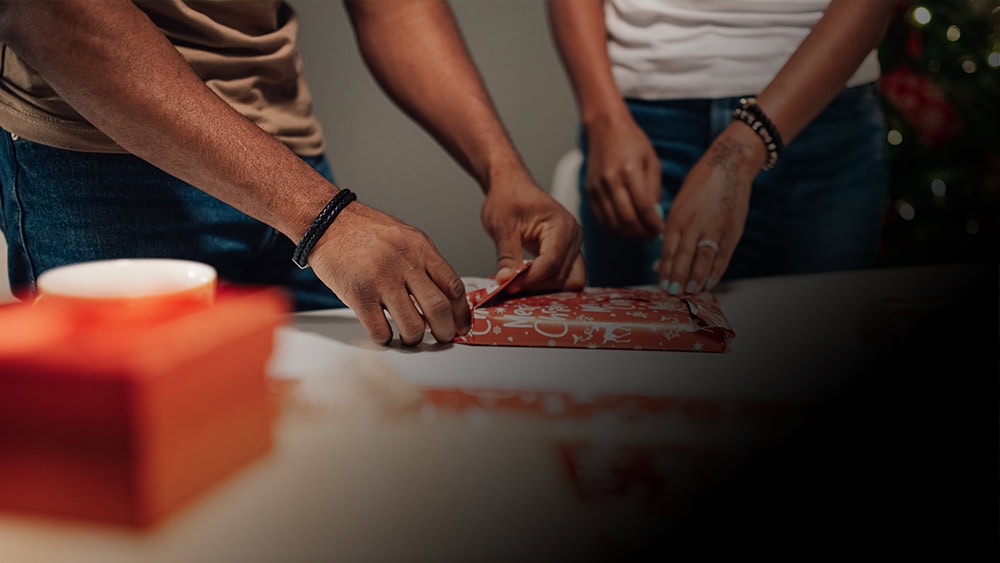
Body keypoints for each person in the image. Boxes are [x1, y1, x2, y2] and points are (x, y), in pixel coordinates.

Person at [0, 0, 584, 346]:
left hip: (296, 175)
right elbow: (51, 13)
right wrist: (321, 218)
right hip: (104, 170)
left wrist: (502, 172)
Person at [548, 0, 895, 294]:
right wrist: (604, 120)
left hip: (821, 111)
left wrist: (743, 148)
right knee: (638, 368)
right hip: (641, 119)